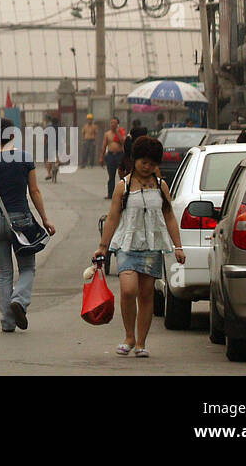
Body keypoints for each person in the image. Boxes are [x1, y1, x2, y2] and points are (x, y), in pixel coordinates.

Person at [93, 135, 185, 357]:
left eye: (152, 163)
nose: (147, 167)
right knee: (128, 289)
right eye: (144, 162)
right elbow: (113, 217)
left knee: (146, 295)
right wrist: (103, 247)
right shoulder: (122, 186)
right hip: (127, 246)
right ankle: (128, 336)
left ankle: (141, 342)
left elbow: (170, 217)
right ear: (134, 160)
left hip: (152, 247)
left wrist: (178, 246)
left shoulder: (161, 186)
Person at [0, 119, 55, 332]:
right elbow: (34, 191)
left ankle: (8, 322)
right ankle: (19, 301)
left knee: (4, 272)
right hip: (21, 220)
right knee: (28, 267)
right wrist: (45, 218)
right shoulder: (25, 159)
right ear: (13, 135)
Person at [102, 117, 125, 198]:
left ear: (117, 124)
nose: (113, 125)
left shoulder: (120, 133)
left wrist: (118, 132)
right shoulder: (107, 134)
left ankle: (123, 193)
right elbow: (104, 146)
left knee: (122, 175)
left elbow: (123, 142)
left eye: (114, 123)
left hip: (119, 155)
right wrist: (101, 157)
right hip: (111, 156)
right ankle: (110, 194)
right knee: (111, 176)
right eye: (111, 123)